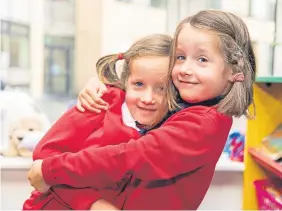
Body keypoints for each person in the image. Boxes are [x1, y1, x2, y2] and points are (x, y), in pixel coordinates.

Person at [28, 10, 256, 210]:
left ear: (235, 70)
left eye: (202, 59)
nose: (186, 69)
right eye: (180, 57)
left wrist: (52, 172)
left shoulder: (202, 121)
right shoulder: (111, 101)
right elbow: (46, 156)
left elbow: (133, 157)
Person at [23, 34, 172, 210]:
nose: (148, 98)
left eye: (161, 88)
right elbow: (45, 155)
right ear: (125, 82)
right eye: (139, 84)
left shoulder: (173, 126)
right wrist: (92, 203)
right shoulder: (99, 103)